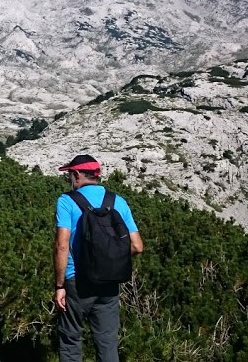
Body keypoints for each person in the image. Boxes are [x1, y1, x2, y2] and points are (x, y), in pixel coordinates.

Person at [54, 154, 144, 362]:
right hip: (109, 281)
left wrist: (59, 285)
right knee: (107, 342)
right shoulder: (117, 201)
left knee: (70, 340)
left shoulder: (66, 201)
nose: (69, 179)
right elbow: (137, 246)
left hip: (77, 280)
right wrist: (109, 258)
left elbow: (61, 246)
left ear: (77, 174)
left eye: (70, 174)